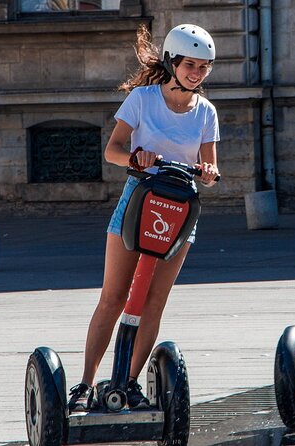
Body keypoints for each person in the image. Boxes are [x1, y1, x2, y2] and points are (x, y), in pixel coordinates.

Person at [68, 23, 220, 410]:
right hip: (139, 199)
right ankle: (86, 385)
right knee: (114, 296)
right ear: (172, 62)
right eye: (190, 65)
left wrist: (208, 173)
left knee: (153, 303)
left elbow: (211, 169)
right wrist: (137, 158)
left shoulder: (206, 111)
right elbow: (113, 150)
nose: (197, 74)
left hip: (181, 210)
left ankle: (129, 383)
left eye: (204, 67)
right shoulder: (142, 99)